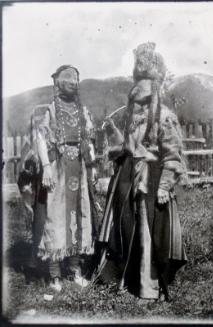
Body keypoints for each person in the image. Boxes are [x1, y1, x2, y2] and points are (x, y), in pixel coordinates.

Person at [97, 43, 187, 301]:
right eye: (136, 100)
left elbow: (173, 155)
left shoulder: (165, 117)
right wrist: (113, 136)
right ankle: (129, 278)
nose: (140, 106)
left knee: (150, 232)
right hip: (127, 179)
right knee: (127, 227)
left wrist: (164, 186)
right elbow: (125, 147)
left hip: (153, 180)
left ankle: (150, 286)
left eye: (145, 101)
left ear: (154, 94)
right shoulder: (130, 117)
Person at [18, 65, 98, 291]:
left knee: (79, 217)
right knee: (55, 218)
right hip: (57, 168)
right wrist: (46, 167)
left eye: (75, 81)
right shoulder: (51, 111)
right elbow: (42, 140)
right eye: (68, 80)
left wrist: (91, 167)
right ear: (59, 85)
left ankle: (74, 270)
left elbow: (89, 142)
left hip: (79, 170)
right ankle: (54, 274)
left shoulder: (83, 111)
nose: (72, 84)